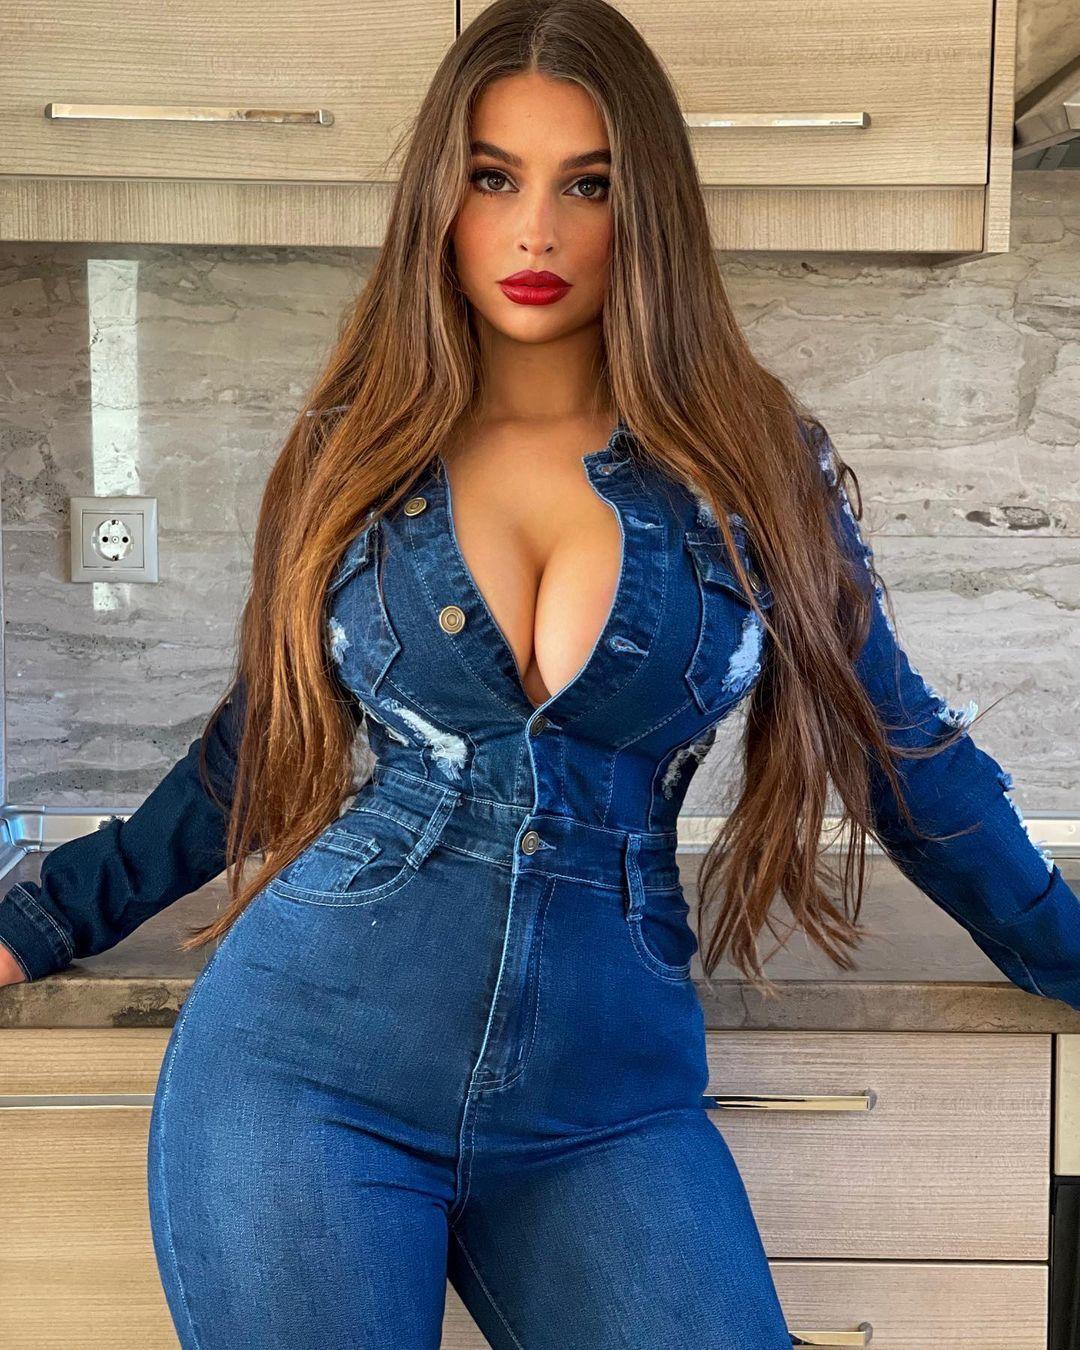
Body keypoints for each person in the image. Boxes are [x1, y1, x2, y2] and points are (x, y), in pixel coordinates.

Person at [2, 1, 1078, 1345]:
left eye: (589, 185)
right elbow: (258, 747)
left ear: (648, 212)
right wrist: (44, 918)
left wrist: (1063, 944)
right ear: (439, 203)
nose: (535, 234)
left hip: (603, 1102)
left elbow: (897, 748)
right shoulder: (355, 447)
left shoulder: (753, 462)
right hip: (306, 1068)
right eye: (493, 177)